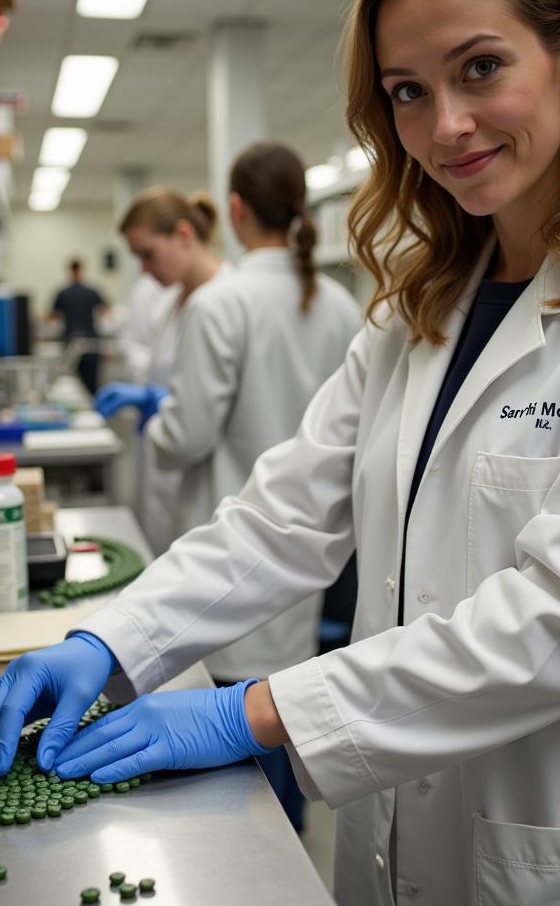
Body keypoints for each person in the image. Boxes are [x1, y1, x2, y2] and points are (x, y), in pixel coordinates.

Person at [0, 0, 560, 906]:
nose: (445, 125)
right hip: (396, 841)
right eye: (406, 90)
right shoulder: (416, 311)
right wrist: (110, 639)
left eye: (480, 67)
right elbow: (283, 516)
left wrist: (248, 714)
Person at [101, 141, 362, 829]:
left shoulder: (221, 303)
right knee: (282, 726)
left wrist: (152, 423)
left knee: (228, 772)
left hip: (233, 550)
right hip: (304, 558)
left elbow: (185, 436)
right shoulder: (337, 301)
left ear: (237, 210)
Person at [96, 188, 226, 555]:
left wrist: (168, 403)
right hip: (162, 469)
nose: (144, 269)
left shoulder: (230, 301)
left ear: (183, 235)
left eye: (148, 254)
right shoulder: (166, 305)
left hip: (212, 485)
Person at [49, 259, 108, 394]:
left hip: (70, 343)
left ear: (70, 271)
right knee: (92, 385)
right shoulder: (92, 291)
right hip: (90, 343)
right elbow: (106, 311)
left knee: (71, 384)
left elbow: (51, 316)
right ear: (81, 271)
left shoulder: (63, 293)